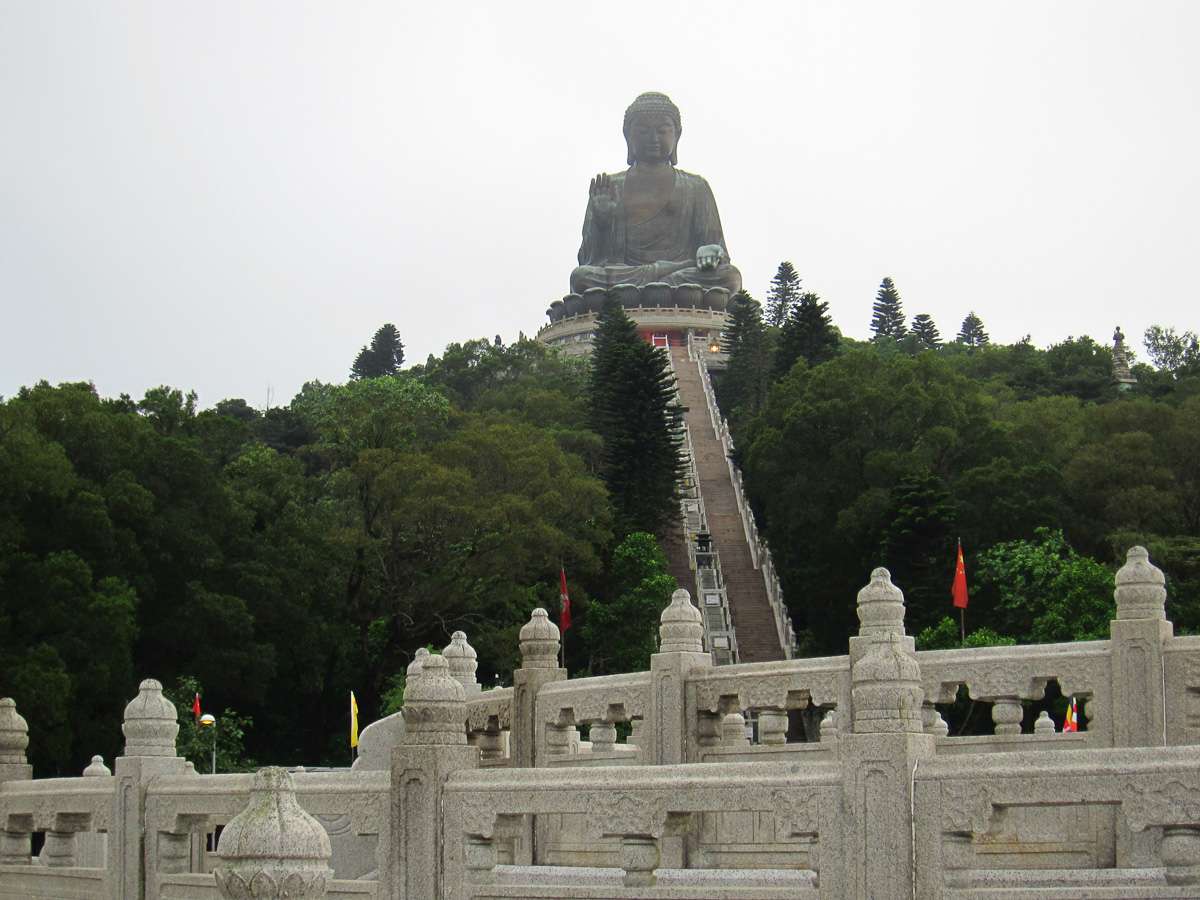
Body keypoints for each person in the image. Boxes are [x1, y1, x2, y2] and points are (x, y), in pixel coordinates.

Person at [570, 92, 742, 295]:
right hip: (627, 276)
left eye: (662, 131)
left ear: (676, 135)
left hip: (680, 274)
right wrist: (602, 222)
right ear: (628, 136)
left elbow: (715, 250)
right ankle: (655, 288)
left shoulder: (696, 186)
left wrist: (711, 251)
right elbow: (589, 259)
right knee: (581, 277)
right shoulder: (609, 187)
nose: (653, 139)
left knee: (730, 276)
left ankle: (655, 288)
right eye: (643, 132)